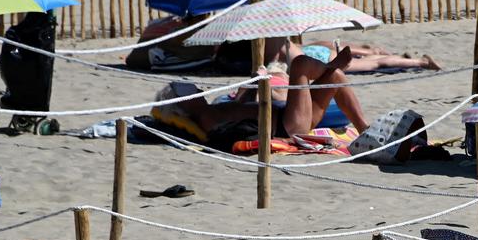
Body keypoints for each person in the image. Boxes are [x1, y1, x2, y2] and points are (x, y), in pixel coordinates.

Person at [160, 45, 370, 139]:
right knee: (300, 64)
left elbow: (241, 110)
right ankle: (331, 65)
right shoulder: (206, 118)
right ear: (182, 106)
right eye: (188, 92)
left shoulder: (212, 111)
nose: (196, 90)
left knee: (335, 79)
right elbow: (241, 129)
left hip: (292, 117)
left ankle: (365, 132)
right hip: (287, 126)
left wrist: (254, 83)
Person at [276, 38, 442, 73]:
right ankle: (402, 59)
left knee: (376, 64)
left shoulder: (268, 47)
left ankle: (421, 62)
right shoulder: (281, 39)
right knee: (369, 61)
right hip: (315, 53)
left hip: (319, 59)